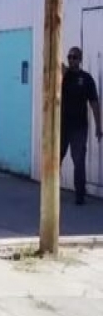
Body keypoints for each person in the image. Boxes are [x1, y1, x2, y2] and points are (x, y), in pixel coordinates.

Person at [60, 46, 102, 205]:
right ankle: (51, 191)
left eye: (74, 57)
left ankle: (79, 194)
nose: (71, 60)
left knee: (79, 160)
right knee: (56, 158)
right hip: (62, 126)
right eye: (69, 57)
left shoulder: (86, 79)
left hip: (79, 127)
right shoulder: (63, 77)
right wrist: (61, 75)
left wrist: (98, 125)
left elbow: (94, 103)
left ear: (80, 59)